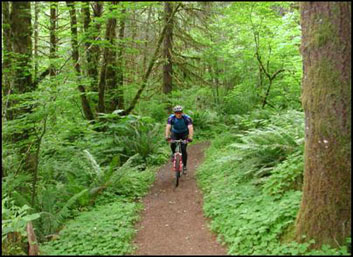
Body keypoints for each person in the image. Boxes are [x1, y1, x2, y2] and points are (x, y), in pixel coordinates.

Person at [165, 105, 194, 174]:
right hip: (175, 133)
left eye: (180, 112)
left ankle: (184, 167)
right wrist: (167, 136)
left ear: (182, 112)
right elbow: (168, 127)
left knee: (183, 149)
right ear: (174, 113)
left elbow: (190, 128)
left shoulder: (187, 118)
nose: (178, 114)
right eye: (177, 113)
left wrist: (190, 138)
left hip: (184, 133)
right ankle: (173, 153)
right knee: (172, 143)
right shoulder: (171, 118)